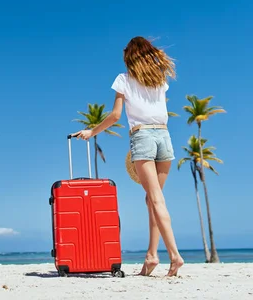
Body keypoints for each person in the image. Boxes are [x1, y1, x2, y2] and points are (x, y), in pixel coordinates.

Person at [71, 36, 184, 277]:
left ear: (129, 57)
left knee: (155, 200)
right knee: (153, 200)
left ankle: (174, 255)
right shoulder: (160, 80)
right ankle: (152, 256)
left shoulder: (123, 79)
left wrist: (92, 131)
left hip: (143, 136)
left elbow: (115, 115)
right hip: (164, 137)